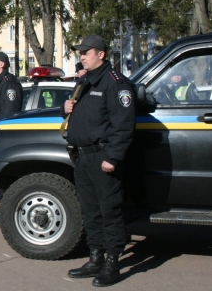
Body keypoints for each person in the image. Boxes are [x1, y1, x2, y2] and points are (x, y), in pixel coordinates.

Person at [61, 35, 136, 287]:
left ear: (101, 54)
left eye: (86, 52)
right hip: (82, 157)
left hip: (103, 158)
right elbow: (81, 117)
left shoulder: (116, 83)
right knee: (90, 212)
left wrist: (113, 157)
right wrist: (67, 108)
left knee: (109, 212)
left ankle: (112, 263)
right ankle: (95, 258)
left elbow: (123, 124)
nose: (82, 55)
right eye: (80, 52)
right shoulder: (84, 81)